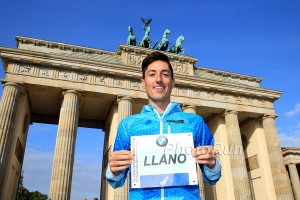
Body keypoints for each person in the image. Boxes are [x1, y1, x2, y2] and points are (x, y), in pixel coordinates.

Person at [106, 51, 221, 199]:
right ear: (143, 83)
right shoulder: (128, 125)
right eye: (152, 74)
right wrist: (113, 170)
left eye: (165, 74)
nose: (158, 79)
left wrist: (212, 164)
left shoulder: (195, 122)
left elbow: (212, 177)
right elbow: (117, 181)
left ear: (173, 82)